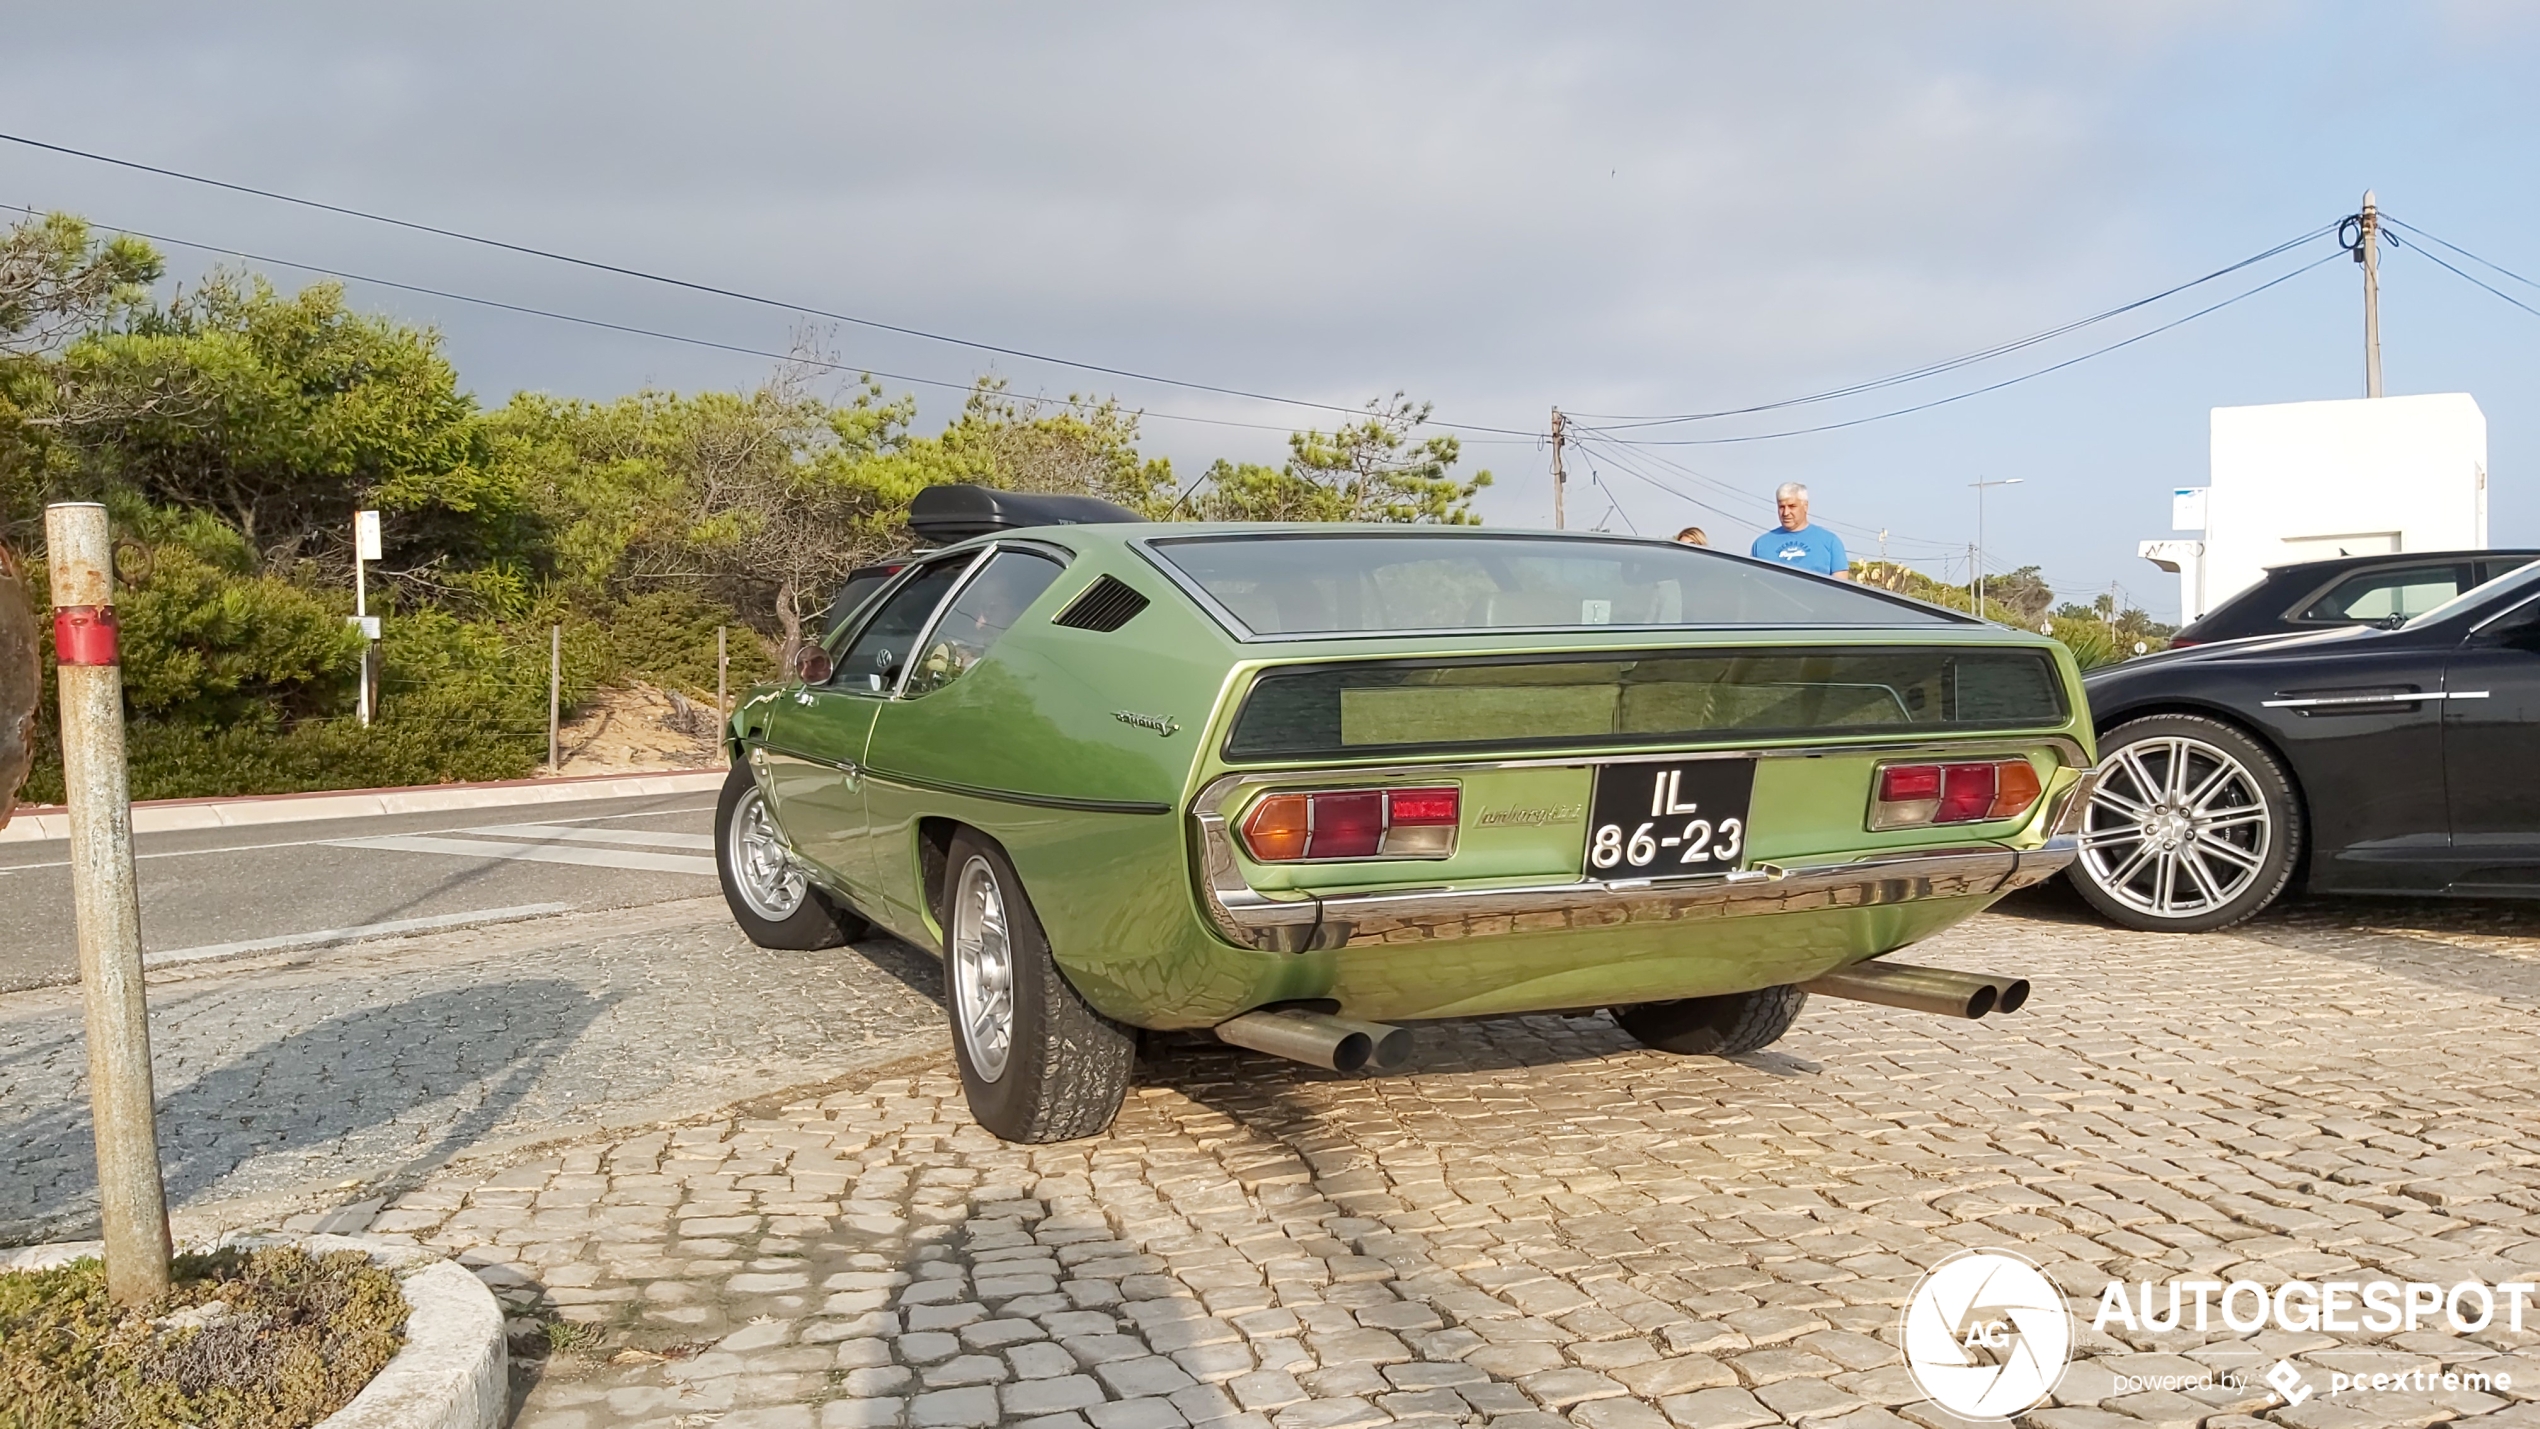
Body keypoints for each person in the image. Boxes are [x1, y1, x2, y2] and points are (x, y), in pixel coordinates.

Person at [1749, 482, 1849, 578]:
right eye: (1781, 507)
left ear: (1805, 506)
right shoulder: (1761, 544)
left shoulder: (1830, 542)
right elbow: (1751, 582)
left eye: (1792, 506)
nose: (1786, 513)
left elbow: (1839, 588)